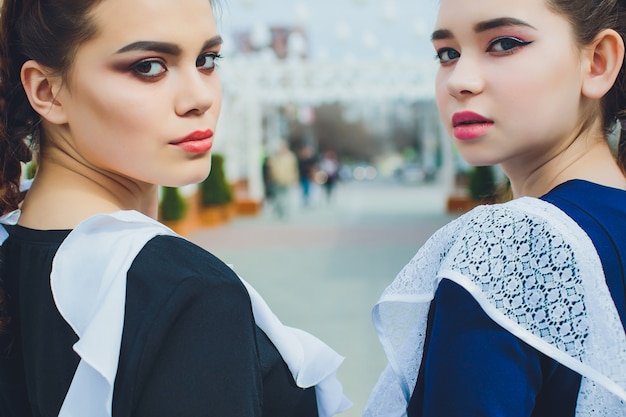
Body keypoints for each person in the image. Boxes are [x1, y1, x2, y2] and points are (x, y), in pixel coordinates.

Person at [0, 1, 351, 416]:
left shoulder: (13, 249)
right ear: (46, 90)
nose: (200, 97)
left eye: (207, 60)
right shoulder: (189, 293)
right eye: (149, 67)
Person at [364, 0, 626, 415]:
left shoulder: (510, 243)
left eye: (504, 43)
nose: (459, 81)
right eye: (447, 54)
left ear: (597, 62)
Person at [267, 141, 299, 218]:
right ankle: (279, 211)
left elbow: (295, 168)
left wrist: (295, 179)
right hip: (277, 180)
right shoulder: (275, 156)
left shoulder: (291, 156)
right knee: (278, 197)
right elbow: (270, 167)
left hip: (287, 180)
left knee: (286, 197)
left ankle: (285, 212)